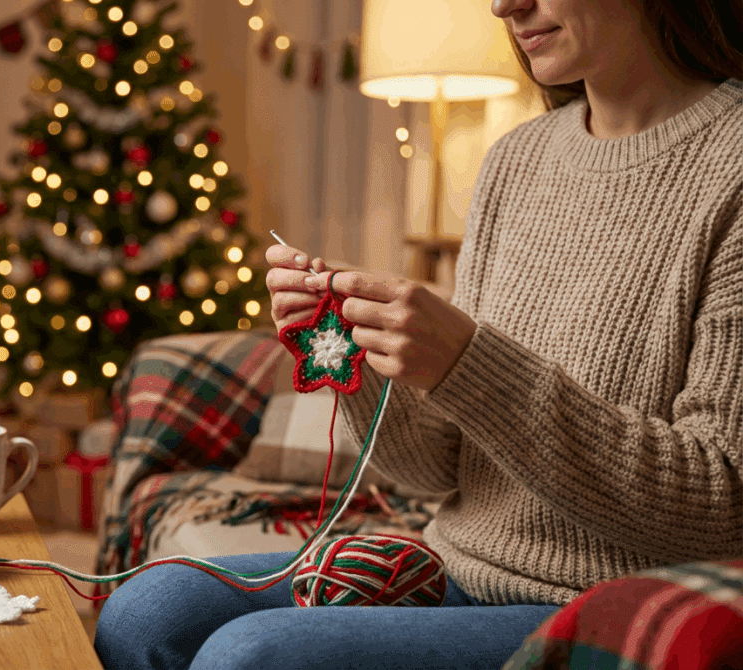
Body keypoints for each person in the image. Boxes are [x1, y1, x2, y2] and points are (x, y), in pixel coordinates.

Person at [94, 0, 743, 668]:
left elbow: (722, 503)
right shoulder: (517, 160)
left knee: (249, 656)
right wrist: (363, 357)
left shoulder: (733, 167)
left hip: (610, 604)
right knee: (147, 609)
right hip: (457, 563)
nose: (504, 6)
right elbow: (435, 471)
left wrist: (470, 364)